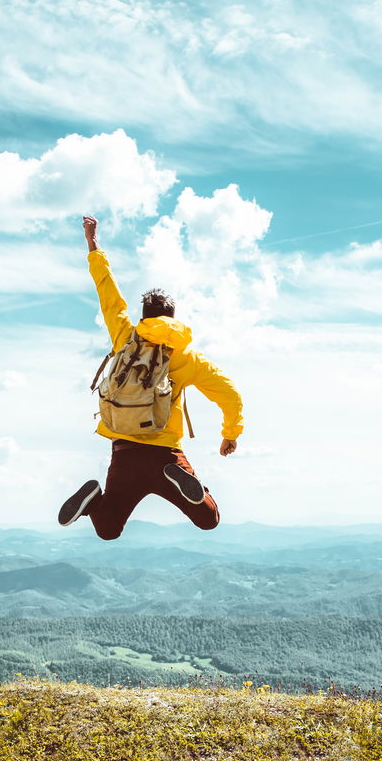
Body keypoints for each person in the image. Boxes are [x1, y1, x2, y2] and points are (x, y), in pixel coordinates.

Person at [58, 215, 243, 539]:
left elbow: (108, 294)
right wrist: (230, 434)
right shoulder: (187, 357)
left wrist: (93, 244)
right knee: (208, 518)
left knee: (108, 529)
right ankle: (186, 482)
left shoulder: (125, 337)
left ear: (144, 317)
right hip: (166, 454)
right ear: (173, 318)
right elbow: (230, 394)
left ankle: (91, 502)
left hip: (124, 453)